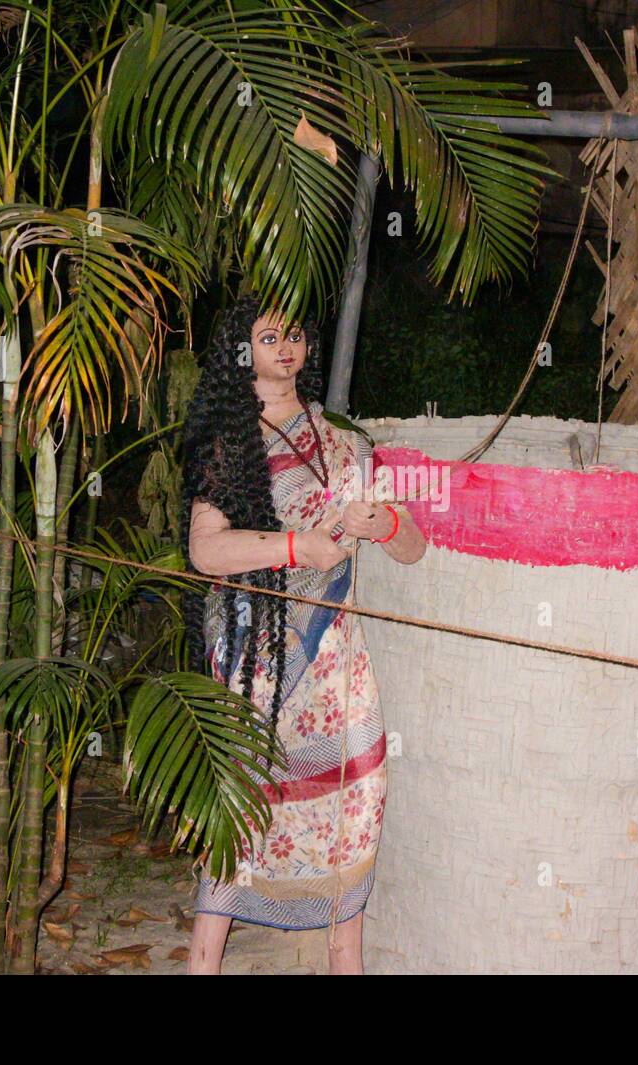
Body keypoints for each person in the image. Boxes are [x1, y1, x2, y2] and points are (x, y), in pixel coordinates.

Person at [179, 293, 426, 974]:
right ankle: (202, 964)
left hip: (338, 667)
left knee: (355, 801)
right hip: (259, 662)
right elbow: (206, 550)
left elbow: (412, 547)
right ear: (241, 348)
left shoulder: (344, 439)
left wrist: (385, 526)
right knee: (241, 815)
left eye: (293, 334)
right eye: (267, 335)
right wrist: (298, 547)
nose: (285, 346)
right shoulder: (229, 437)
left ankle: (346, 962)